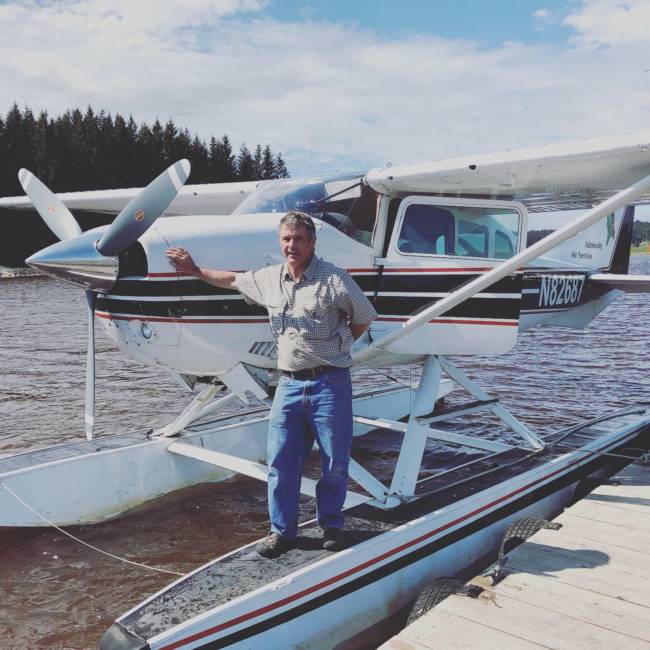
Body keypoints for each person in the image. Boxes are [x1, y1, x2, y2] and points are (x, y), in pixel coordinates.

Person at [166, 211, 377, 558]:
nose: (291, 245)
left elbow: (364, 316)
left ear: (312, 242)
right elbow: (232, 280)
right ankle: (283, 532)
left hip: (330, 383)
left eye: (298, 239)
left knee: (335, 462)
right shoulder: (269, 279)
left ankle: (332, 526)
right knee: (280, 462)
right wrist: (194, 270)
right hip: (289, 386)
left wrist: (338, 347)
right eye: (286, 239)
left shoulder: (334, 279)